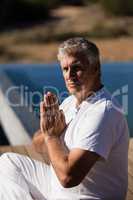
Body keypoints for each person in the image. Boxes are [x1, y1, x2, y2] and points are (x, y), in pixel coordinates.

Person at [0, 37, 129, 200]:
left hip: (86, 196)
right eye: (65, 69)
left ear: (96, 68)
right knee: (8, 162)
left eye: (77, 68)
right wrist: (49, 133)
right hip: (57, 189)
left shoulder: (103, 112)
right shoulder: (70, 102)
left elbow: (68, 178)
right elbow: (37, 144)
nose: (70, 75)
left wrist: (52, 137)